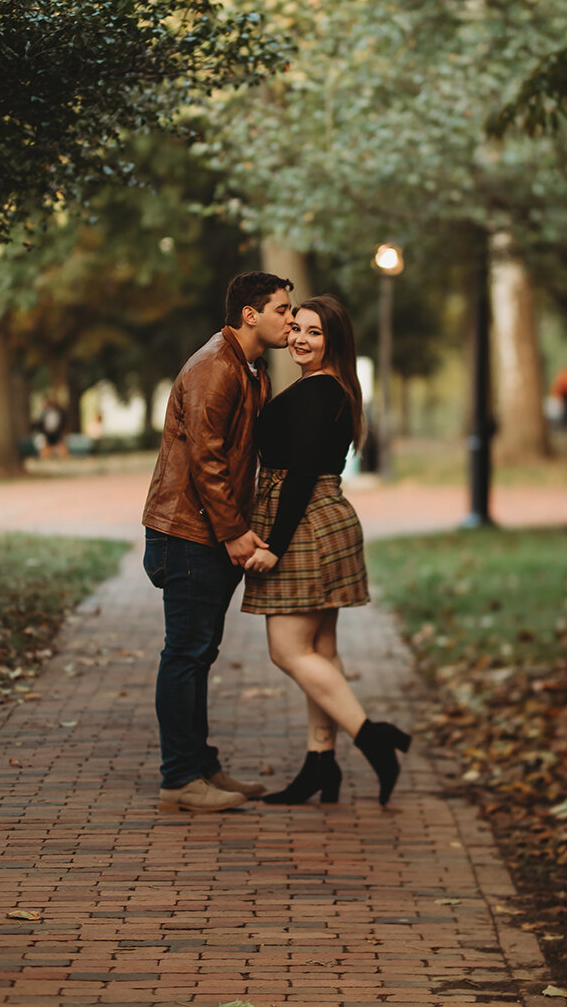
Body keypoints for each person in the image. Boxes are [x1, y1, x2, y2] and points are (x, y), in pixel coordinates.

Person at [241, 295, 411, 807]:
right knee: (322, 651)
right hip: (325, 518)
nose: (299, 338)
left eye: (313, 332)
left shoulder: (318, 393)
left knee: (288, 651)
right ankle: (320, 764)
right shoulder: (327, 388)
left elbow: (299, 477)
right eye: (296, 328)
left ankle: (372, 738)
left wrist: (274, 545)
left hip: (305, 523)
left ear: (333, 340)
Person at [142, 271, 294, 813]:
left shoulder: (246, 368)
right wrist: (232, 532)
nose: (291, 319)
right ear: (250, 314)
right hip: (186, 533)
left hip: (203, 532)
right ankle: (179, 780)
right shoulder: (215, 367)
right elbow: (206, 459)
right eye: (281, 310)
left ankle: (201, 767)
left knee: (199, 652)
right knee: (184, 653)